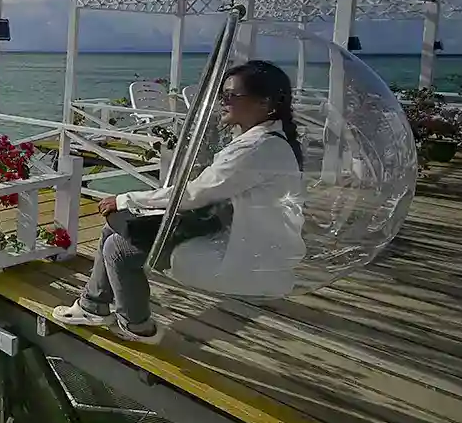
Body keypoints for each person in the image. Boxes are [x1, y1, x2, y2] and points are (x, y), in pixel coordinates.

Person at [52, 60, 306, 344]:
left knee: (119, 248)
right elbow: (203, 191)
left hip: (247, 252)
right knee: (114, 229)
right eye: (222, 95)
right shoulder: (264, 139)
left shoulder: (258, 148)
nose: (223, 102)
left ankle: (137, 326)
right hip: (230, 227)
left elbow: (193, 194)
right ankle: (93, 306)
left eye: (232, 96)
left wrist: (126, 199)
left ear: (264, 104)